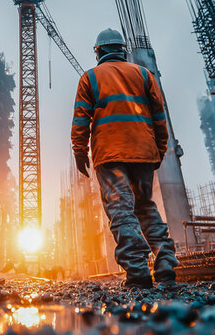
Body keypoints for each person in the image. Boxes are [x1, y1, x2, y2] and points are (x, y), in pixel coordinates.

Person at [70, 28, 179, 289]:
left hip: (110, 154)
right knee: (145, 206)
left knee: (121, 209)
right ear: (122, 49)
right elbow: (160, 118)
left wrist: (79, 151)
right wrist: (159, 151)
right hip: (143, 152)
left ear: (98, 52)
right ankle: (165, 266)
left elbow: (81, 118)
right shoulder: (144, 75)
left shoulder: (90, 78)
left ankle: (139, 273)